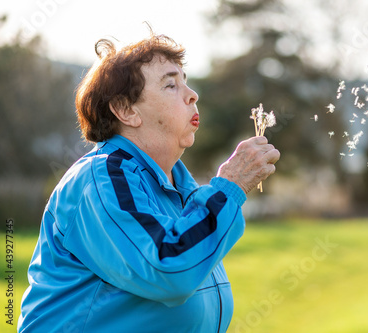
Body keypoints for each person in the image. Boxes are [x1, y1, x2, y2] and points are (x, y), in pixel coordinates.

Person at [18, 33, 280, 332]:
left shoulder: (177, 186)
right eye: (171, 84)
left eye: (185, 80)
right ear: (126, 110)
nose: (192, 94)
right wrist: (230, 186)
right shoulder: (101, 179)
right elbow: (168, 269)